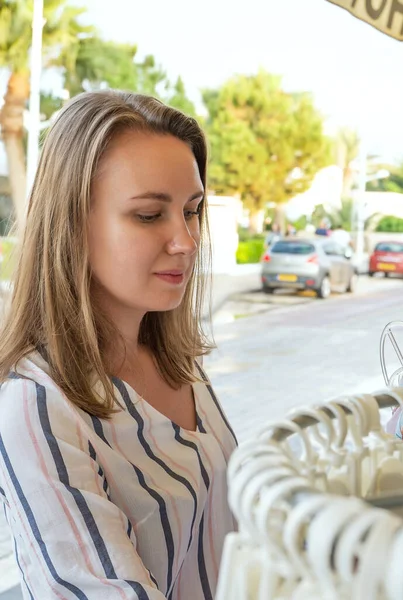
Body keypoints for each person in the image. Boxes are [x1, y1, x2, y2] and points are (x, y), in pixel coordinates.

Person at [0, 91, 237, 599]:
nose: (186, 240)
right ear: (72, 226)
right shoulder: (37, 405)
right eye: (150, 215)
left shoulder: (178, 363)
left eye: (192, 211)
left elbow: (225, 528)